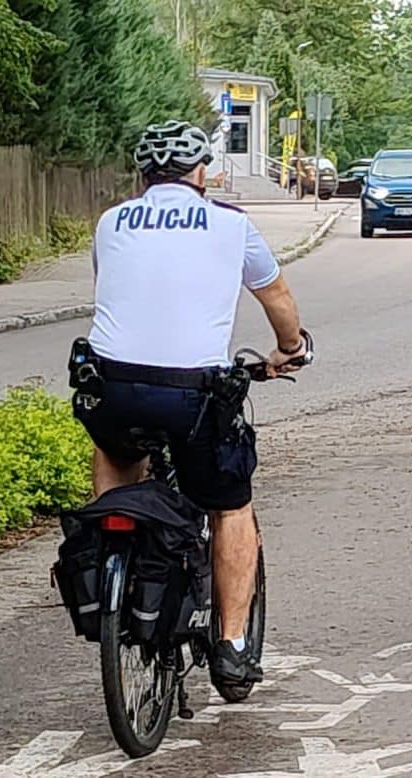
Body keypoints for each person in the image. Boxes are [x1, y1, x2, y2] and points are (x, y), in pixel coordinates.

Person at [76, 119, 308, 689]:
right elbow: (275, 294)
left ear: (143, 173)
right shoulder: (231, 224)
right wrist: (290, 349)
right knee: (229, 505)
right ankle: (230, 647)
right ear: (202, 171)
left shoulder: (110, 222)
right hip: (192, 395)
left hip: (111, 385)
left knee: (114, 447)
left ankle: (118, 563)